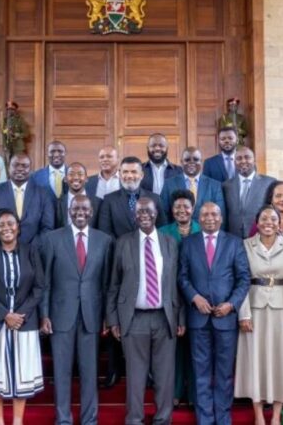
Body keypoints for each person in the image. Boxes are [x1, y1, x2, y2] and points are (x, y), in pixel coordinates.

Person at [107, 197, 184, 425]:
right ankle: (135, 419)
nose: (144, 215)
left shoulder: (170, 242)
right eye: (140, 211)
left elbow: (177, 283)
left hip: (164, 317)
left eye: (148, 211)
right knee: (135, 375)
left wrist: (180, 317)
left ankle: (163, 419)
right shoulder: (123, 243)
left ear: (156, 214)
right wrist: (113, 319)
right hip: (134, 318)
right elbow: (114, 284)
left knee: (165, 375)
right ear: (135, 216)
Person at [40, 194, 114, 425]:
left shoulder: (104, 240)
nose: (80, 212)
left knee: (89, 372)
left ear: (91, 212)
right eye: (75, 209)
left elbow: (106, 283)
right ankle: (63, 419)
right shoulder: (52, 239)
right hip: (60, 315)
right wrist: (44, 314)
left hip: (91, 315)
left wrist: (107, 316)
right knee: (61, 372)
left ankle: (89, 419)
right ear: (68, 211)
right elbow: (45, 282)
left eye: (84, 209)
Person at [178, 202, 250, 425]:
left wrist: (231, 304)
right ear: (199, 218)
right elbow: (182, 277)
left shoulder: (234, 243)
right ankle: (205, 420)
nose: (210, 218)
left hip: (225, 318)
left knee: (224, 373)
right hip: (198, 318)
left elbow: (244, 278)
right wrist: (194, 297)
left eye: (214, 214)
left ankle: (223, 418)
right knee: (200, 372)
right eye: (205, 214)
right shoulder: (188, 243)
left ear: (221, 217)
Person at [97, 156, 166, 387]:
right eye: (125, 172)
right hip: (120, 265)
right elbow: (105, 234)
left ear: (142, 174)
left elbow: (161, 231)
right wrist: (123, 254)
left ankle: (148, 373)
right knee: (118, 313)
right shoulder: (109, 200)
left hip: (150, 268)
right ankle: (114, 369)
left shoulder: (154, 199)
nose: (129, 176)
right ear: (120, 174)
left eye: (134, 172)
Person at [0, 209, 45, 425]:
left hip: (23, 323)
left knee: (21, 374)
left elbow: (39, 287)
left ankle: (17, 421)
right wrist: (5, 315)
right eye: (1, 225)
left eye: (11, 223)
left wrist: (19, 315)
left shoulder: (31, 251)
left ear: (18, 227)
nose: (6, 228)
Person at [234, 206, 283, 425]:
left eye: (273, 218)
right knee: (256, 359)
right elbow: (241, 279)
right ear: (257, 222)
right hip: (254, 309)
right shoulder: (245, 245)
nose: (269, 222)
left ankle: (276, 416)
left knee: (281, 359)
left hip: (282, 310)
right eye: (264, 218)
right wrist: (243, 313)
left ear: (280, 222)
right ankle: (259, 416)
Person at [158, 189, 201, 406]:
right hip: (170, 296)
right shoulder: (162, 232)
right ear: (171, 210)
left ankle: (193, 394)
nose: (181, 210)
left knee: (195, 348)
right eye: (177, 207)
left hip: (197, 297)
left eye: (186, 206)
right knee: (173, 348)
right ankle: (174, 392)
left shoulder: (202, 229)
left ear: (193, 209)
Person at [0, 153, 55, 246]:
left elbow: (48, 227)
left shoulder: (43, 194)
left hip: (33, 250)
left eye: (24, 166)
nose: (20, 169)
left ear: (30, 169)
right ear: (8, 168)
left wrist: (32, 248)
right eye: (15, 165)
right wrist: (0, 247)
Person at [160, 147, 225, 223]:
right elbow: (164, 214)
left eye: (196, 159)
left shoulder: (215, 185)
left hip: (205, 229)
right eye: (187, 160)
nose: (191, 162)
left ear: (201, 161)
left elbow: (220, 214)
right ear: (181, 162)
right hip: (177, 229)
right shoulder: (169, 184)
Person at [223, 146, 276, 238]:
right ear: (234, 162)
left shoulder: (269, 183)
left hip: (260, 236)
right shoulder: (226, 186)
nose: (243, 161)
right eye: (239, 158)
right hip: (234, 237)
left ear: (254, 160)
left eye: (247, 157)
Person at [55, 162, 102, 229]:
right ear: (65, 179)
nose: (76, 177)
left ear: (86, 179)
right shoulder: (57, 203)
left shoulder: (98, 202)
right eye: (71, 174)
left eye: (80, 174)